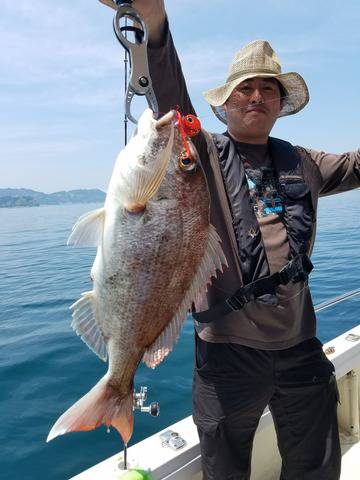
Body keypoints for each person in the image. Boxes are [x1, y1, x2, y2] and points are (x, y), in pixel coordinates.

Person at [130, 2, 360, 479]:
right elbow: (172, 103)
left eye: (268, 89)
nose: (257, 96)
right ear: (227, 101)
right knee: (226, 468)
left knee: (317, 464)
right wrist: (154, 24)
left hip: (300, 346)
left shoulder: (306, 161)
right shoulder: (204, 153)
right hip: (226, 353)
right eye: (245, 88)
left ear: (280, 104)